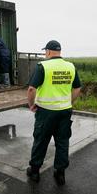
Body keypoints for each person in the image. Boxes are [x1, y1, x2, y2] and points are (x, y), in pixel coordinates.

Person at [26, 40, 81, 185]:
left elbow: (31, 89)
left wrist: (31, 105)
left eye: (45, 52)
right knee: (62, 142)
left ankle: (35, 172)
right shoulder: (70, 66)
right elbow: (77, 88)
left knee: (41, 141)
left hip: (45, 112)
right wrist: (68, 102)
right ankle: (60, 173)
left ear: (49, 52)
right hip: (64, 111)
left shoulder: (43, 66)